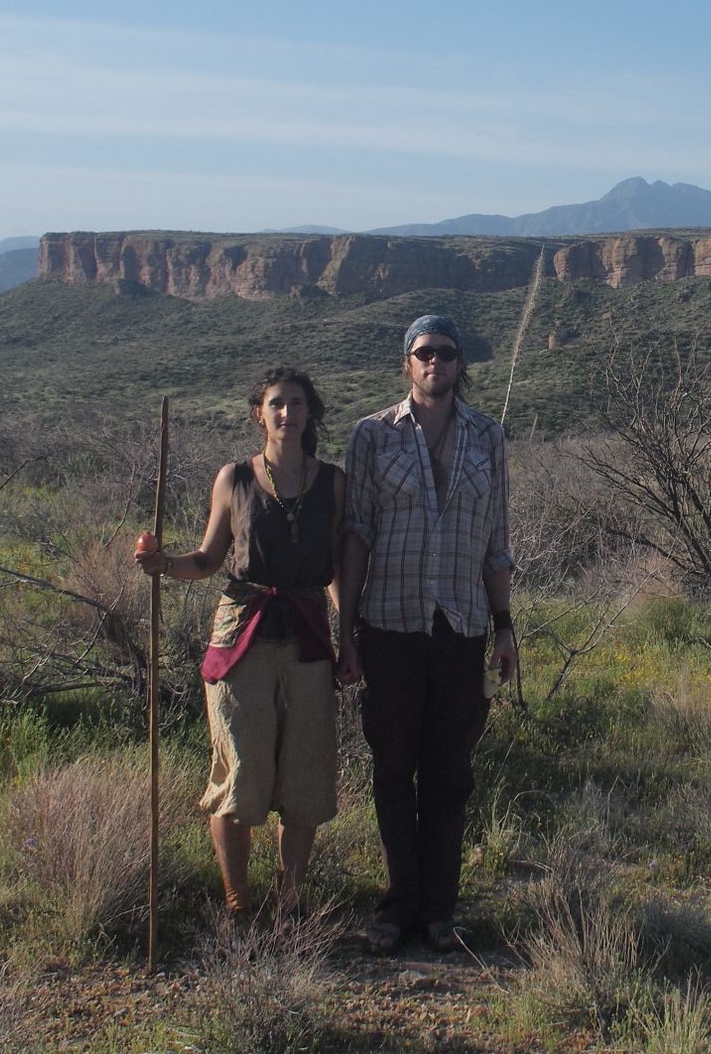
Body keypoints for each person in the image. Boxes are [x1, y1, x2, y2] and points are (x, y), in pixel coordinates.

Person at [335, 313, 517, 953]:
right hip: (388, 623)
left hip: (461, 626)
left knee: (449, 772)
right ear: (406, 364)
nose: (434, 363)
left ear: (461, 363)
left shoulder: (487, 437)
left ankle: (440, 908)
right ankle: (396, 906)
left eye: (445, 353)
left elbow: (497, 539)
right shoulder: (372, 436)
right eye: (423, 353)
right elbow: (355, 534)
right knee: (391, 770)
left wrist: (505, 627)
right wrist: (346, 629)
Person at [133, 366, 346, 913]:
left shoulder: (334, 482)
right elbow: (206, 559)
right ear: (260, 413)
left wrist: (352, 643)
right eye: (277, 404)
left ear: (309, 413)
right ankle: (238, 900)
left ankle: (290, 900)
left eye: (297, 404)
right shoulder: (235, 478)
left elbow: (341, 569)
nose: (287, 414)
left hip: (307, 638)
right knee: (242, 769)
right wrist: (162, 564)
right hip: (242, 634)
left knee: (304, 775)